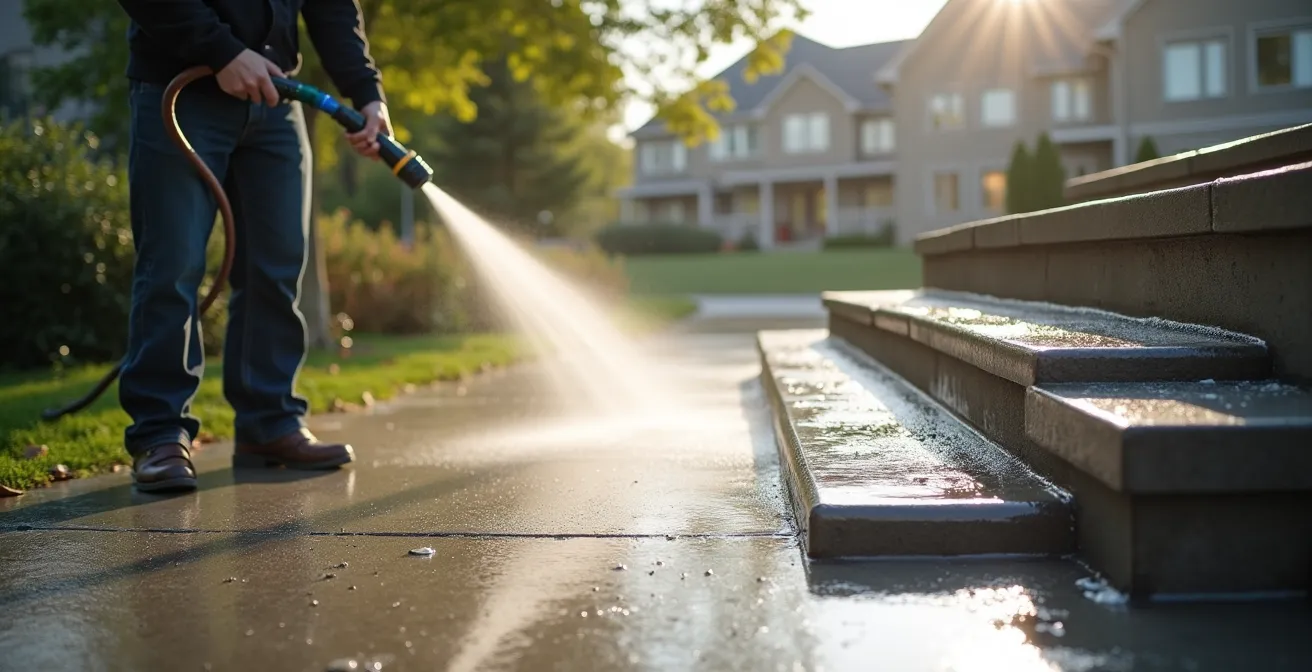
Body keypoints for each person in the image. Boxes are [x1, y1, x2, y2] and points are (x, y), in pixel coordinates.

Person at [113, 0, 392, 492]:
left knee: (276, 267)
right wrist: (221, 51)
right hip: (182, 90)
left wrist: (367, 94)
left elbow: (332, 7)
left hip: (276, 101)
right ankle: (160, 435)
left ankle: (270, 423)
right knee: (172, 265)